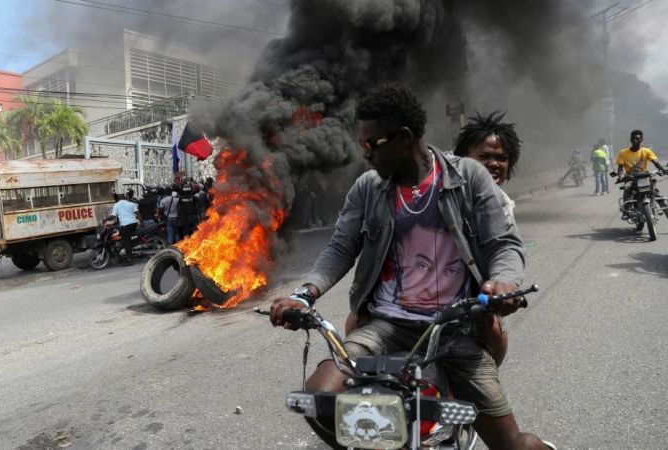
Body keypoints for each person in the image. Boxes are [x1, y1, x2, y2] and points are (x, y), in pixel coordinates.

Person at [270, 84, 555, 450]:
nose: (365, 153)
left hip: (453, 331)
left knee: (510, 444)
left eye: (372, 144)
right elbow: (341, 247)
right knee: (320, 397)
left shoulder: (468, 177)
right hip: (385, 327)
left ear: (404, 138)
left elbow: (504, 244)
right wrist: (303, 296)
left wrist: (502, 282)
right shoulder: (368, 188)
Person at [452, 111, 523, 366]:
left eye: (501, 158)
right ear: (463, 160)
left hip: (474, 295)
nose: (493, 163)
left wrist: (502, 282)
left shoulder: (503, 204)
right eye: (484, 156)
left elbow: (505, 248)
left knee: (494, 331)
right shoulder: (443, 189)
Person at [615, 129, 666, 217]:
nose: (635, 140)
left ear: (641, 140)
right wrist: (621, 176)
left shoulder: (646, 151)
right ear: (630, 140)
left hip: (645, 176)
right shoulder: (623, 152)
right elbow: (620, 167)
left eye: (638, 138)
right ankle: (626, 211)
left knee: (655, 192)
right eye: (633, 138)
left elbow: (656, 163)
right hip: (631, 177)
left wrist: (663, 170)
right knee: (627, 188)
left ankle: (664, 209)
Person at [111, 193, 141, 266]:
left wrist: (105, 220)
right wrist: (142, 224)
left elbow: (112, 216)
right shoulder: (131, 204)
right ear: (125, 198)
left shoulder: (116, 205)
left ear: (118, 198)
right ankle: (126, 249)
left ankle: (130, 260)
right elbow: (138, 214)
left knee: (126, 241)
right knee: (121, 232)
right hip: (133, 224)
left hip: (126, 225)